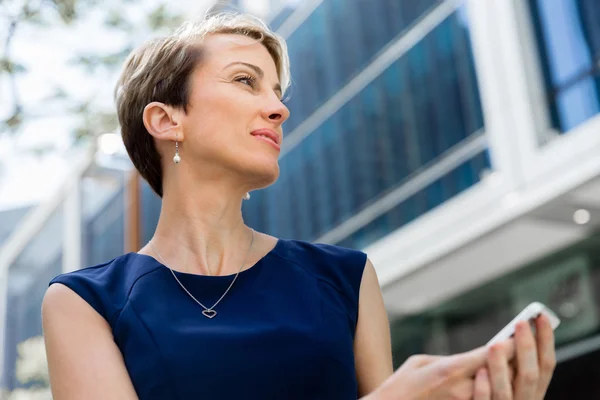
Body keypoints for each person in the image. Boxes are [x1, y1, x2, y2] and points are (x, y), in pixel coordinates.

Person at [41, 11, 556, 400]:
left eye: (278, 91)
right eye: (246, 80)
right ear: (167, 121)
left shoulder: (345, 278)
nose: (279, 107)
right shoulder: (85, 302)